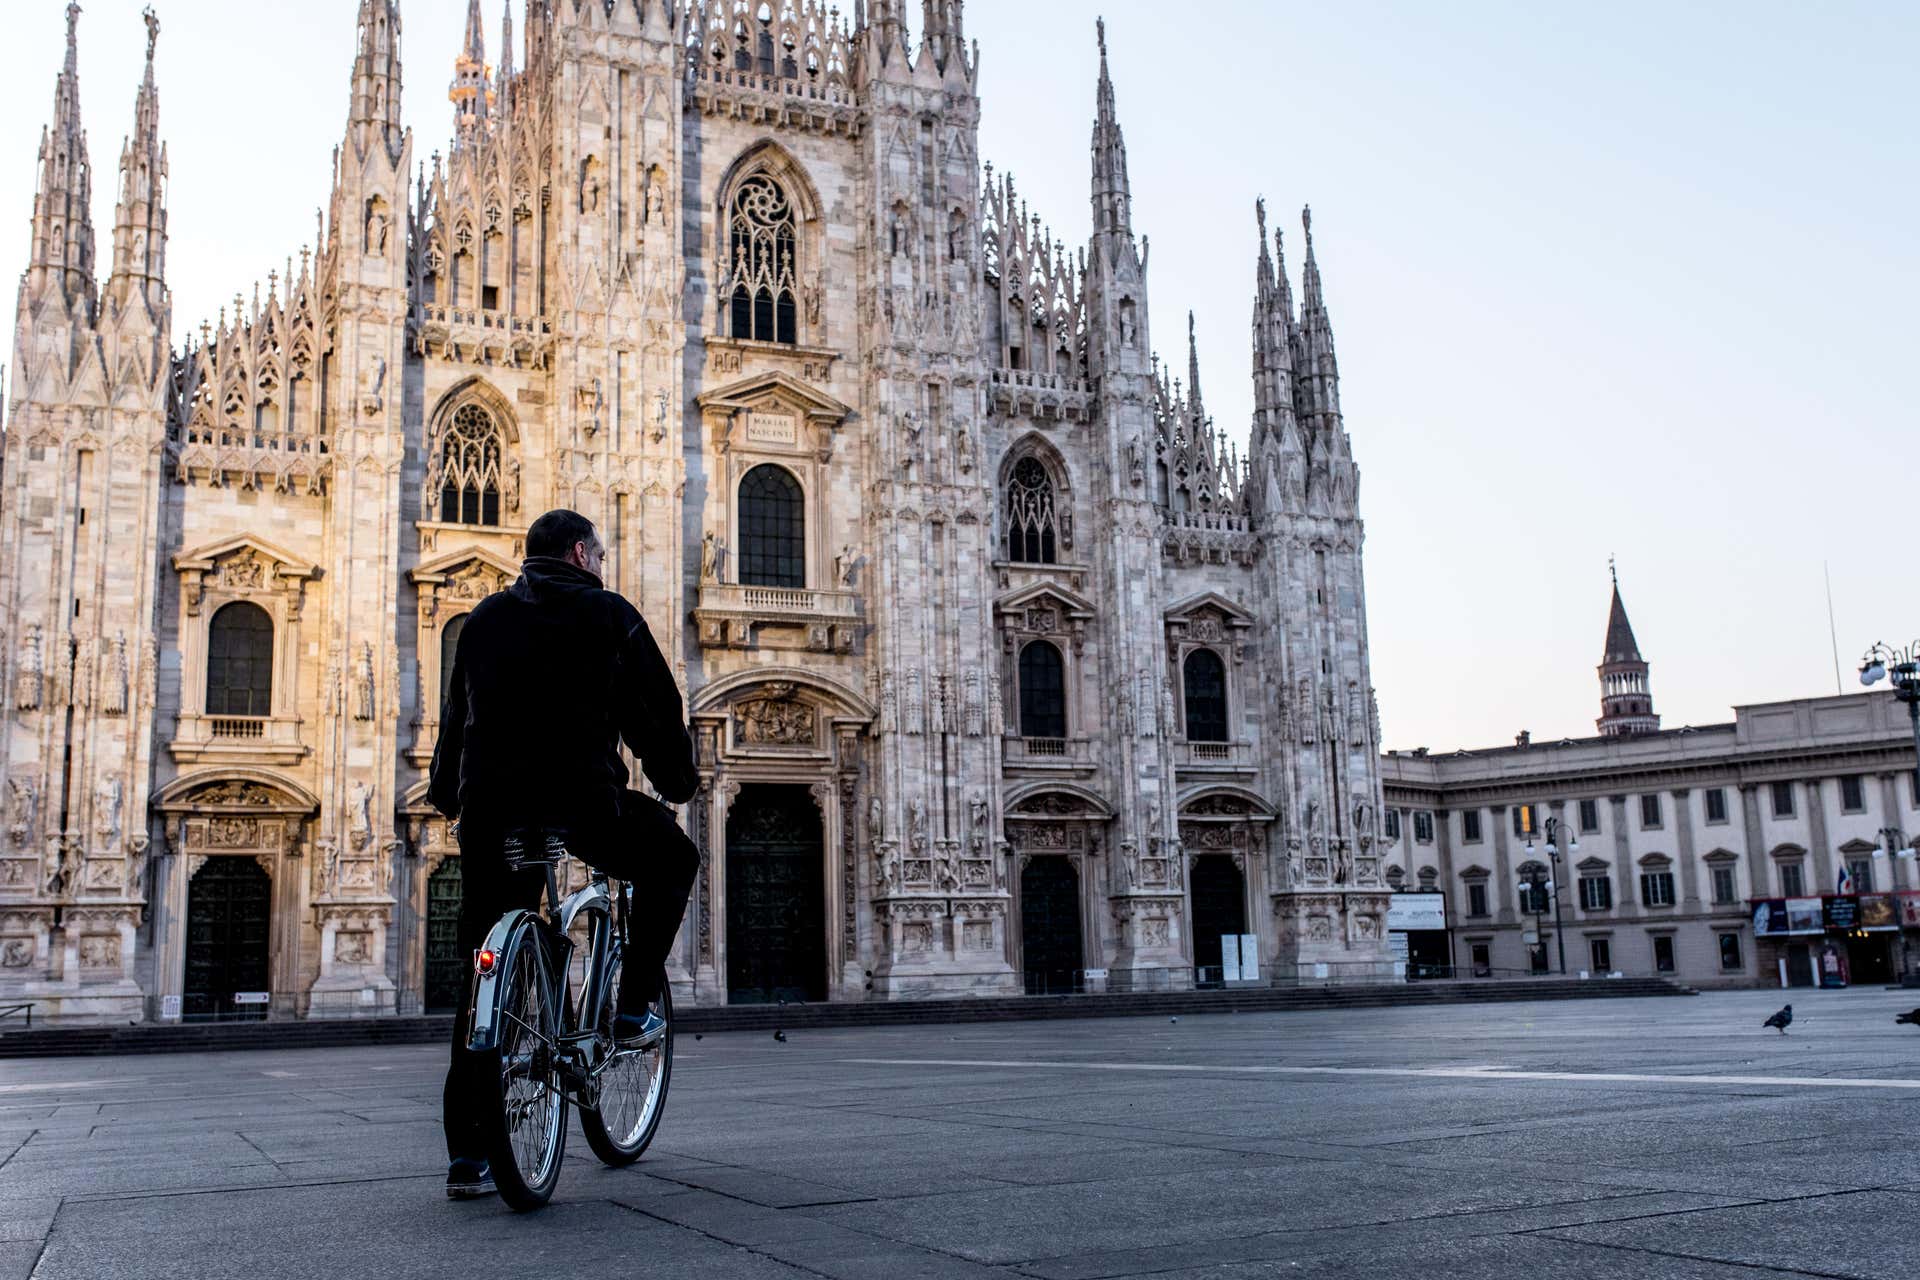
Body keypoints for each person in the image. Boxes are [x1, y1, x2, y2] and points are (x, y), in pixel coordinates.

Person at [430, 508, 700, 1200]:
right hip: (581, 806)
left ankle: (469, 1158)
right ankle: (635, 1006)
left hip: (491, 813)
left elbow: (456, 721)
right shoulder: (609, 615)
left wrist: (445, 793)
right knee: (673, 859)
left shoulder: (484, 619)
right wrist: (676, 780)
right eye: (600, 555)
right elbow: (656, 716)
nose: (602, 565)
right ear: (582, 554)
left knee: (478, 979)